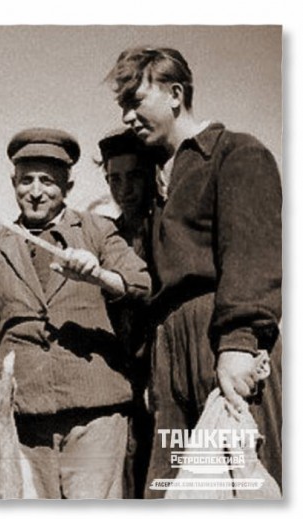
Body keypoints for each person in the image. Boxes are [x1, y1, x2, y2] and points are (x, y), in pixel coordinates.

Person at [106, 47, 282, 496]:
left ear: (175, 94)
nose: (127, 117)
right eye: (122, 106)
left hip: (220, 336)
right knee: (171, 486)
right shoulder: (155, 179)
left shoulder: (236, 152)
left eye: (135, 102)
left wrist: (239, 343)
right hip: (168, 348)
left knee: (241, 480)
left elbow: (251, 255)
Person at [0, 128, 152, 499]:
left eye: (48, 181)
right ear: (13, 183)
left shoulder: (96, 231)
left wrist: (98, 275)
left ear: (67, 186)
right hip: (25, 415)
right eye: (26, 180)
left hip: (95, 413)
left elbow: (140, 284)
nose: (36, 191)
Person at [98, 129, 161, 498]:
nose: (124, 189)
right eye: (114, 179)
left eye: (134, 176)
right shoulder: (109, 236)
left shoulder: (165, 230)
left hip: (163, 369)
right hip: (125, 377)